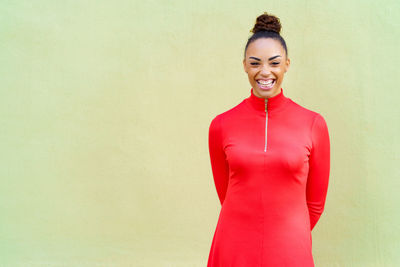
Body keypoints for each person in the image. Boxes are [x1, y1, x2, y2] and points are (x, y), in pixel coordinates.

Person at [207, 12, 330, 267]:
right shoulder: (221, 125)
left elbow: (315, 204)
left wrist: (288, 234)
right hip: (233, 245)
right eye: (255, 63)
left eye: (274, 63)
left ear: (287, 64)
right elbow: (226, 194)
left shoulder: (313, 124)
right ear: (244, 65)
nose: (265, 72)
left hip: (290, 247)